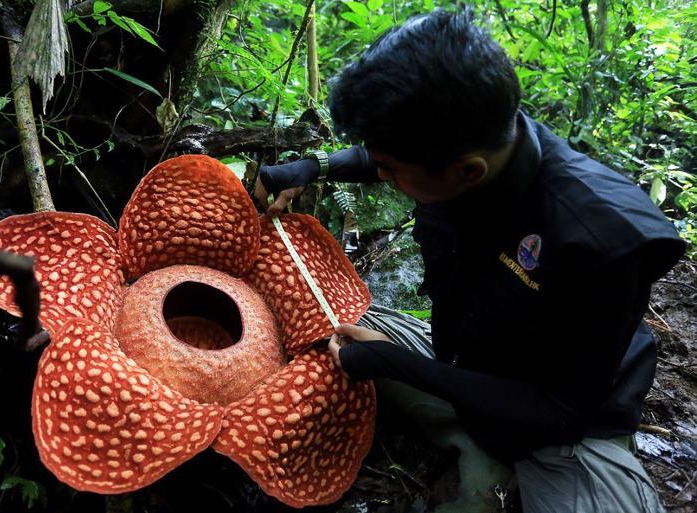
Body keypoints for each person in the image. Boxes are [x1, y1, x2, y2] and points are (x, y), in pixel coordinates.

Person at [255, 8, 685, 513]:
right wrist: (313, 166)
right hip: (457, 357)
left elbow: (559, 411)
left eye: (392, 171)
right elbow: (386, 157)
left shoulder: (601, 237)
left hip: (559, 428)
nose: (383, 174)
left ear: (467, 171)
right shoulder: (476, 132)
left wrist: (398, 363)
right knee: (304, 314)